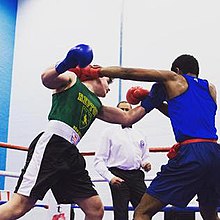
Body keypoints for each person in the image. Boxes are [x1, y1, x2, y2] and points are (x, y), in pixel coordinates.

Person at [0, 44, 163, 220]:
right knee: (19, 207)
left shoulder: (98, 105)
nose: (108, 89)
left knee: (95, 209)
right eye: (108, 82)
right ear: (97, 76)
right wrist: (68, 62)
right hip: (52, 145)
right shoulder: (72, 80)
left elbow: (128, 118)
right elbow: (46, 79)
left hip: (70, 153)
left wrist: (152, 100)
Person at [75, 54, 220, 220]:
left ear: (177, 71)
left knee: (142, 212)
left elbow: (130, 72)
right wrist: (157, 102)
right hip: (215, 153)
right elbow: (185, 114)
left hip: (191, 154)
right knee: (209, 212)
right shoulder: (210, 88)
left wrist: (97, 71)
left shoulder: (173, 78)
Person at [94, 100, 151, 220]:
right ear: (116, 111)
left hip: (137, 176)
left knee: (145, 210)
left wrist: (145, 164)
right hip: (118, 176)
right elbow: (99, 160)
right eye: (122, 109)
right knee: (121, 213)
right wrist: (110, 178)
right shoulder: (108, 133)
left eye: (127, 109)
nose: (124, 112)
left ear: (133, 112)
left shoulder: (140, 133)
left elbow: (145, 156)